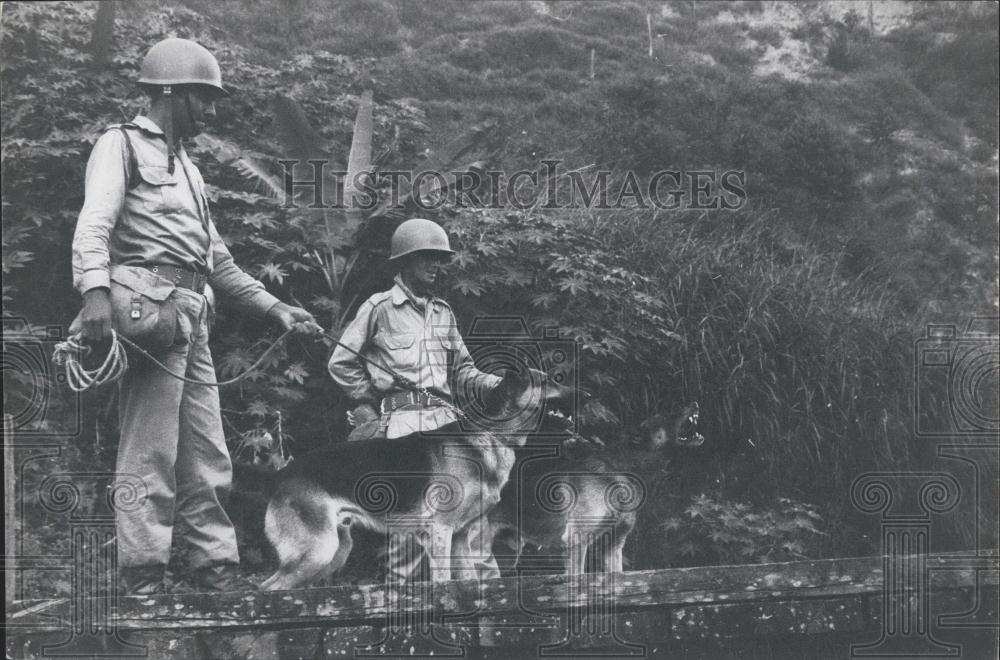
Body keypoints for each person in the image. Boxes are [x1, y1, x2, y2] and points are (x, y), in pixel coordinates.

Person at [71, 37, 320, 594]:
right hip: (148, 312)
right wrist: (94, 294)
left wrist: (277, 307)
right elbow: (94, 226)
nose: (212, 111)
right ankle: (144, 574)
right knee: (149, 451)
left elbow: (218, 262)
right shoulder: (122, 145)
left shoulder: (188, 168)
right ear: (168, 93)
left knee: (208, 455)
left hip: (192, 317)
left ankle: (215, 566)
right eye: (203, 98)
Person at [328, 217, 501, 582]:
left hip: (448, 428)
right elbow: (341, 361)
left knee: (473, 528)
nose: (436, 266)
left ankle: (484, 622)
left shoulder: (444, 314)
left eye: (440, 258)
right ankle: (401, 627)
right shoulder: (379, 308)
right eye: (427, 257)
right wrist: (366, 401)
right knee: (406, 539)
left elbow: (464, 371)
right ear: (405, 261)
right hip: (403, 427)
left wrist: (503, 385)